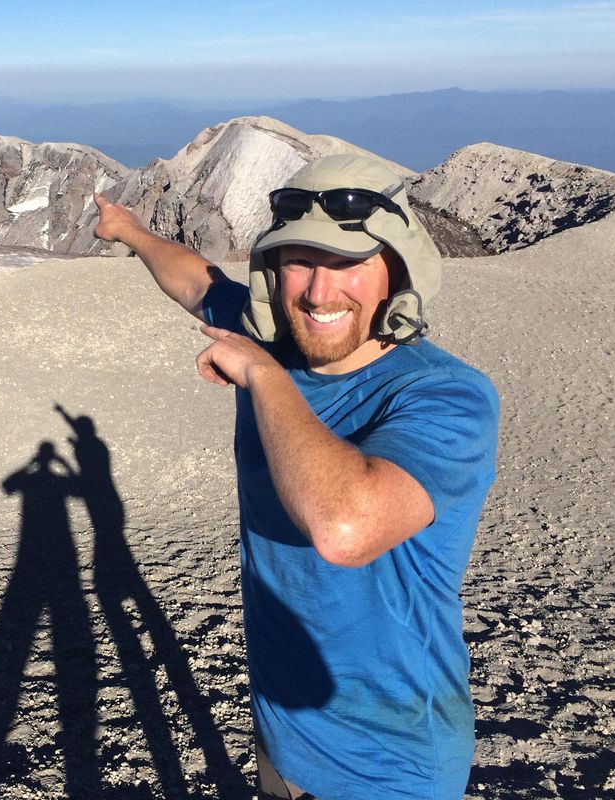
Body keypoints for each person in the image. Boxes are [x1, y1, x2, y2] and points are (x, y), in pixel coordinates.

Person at [92, 154, 499, 800]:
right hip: (282, 741)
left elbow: (344, 526)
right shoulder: (269, 340)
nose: (318, 291)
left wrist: (263, 377)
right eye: (299, 262)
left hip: (391, 767)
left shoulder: (448, 398)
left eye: (348, 264)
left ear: (395, 270)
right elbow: (196, 282)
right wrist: (131, 231)